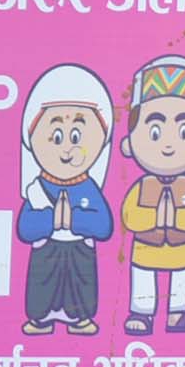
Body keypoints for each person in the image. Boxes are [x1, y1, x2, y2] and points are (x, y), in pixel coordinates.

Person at [15, 64, 115, 337]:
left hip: (79, 251)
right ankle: (40, 318)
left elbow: (104, 225)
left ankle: (80, 318)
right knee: (42, 285)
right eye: (56, 136)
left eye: (77, 137)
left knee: (80, 285)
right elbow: (25, 228)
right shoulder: (37, 188)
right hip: (46, 251)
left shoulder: (88, 187)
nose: (67, 149)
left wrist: (72, 220)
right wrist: (51, 221)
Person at [119, 55, 185, 336]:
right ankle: (142, 314)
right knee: (143, 280)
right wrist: (153, 217)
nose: (169, 145)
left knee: (181, 280)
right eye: (155, 132)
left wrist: (174, 218)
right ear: (129, 142)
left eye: (184, 131)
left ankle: (177, 313)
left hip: (181, 249)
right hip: (145, 249)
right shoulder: (142, 186)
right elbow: (129, 217)